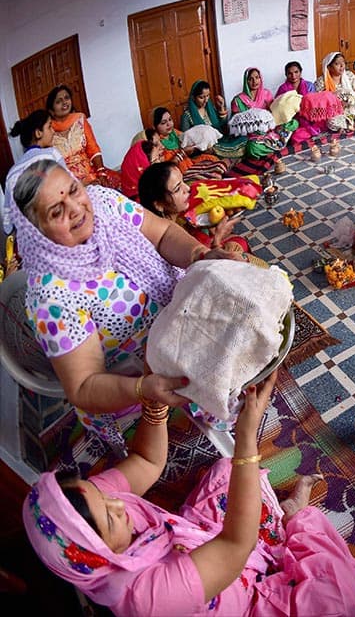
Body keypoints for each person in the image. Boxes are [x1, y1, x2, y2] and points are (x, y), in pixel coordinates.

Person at [22, 370, 355, 616]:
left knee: (226, 476)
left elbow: (145, 461)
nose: (118, 503)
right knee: (337, 601)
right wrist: (246, 440)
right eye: (113, 517)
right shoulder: (146, 599)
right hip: (244, 599)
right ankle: (291, 517)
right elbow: (236, 545)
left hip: (196, 541)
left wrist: (153, 401)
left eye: (106, 495)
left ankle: (278, 526)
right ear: (102, 557)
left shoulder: (90, 506)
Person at [5, 152, 242, 453]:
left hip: (183, 321)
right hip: (133, 379)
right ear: (36, 232)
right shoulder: (52, 296)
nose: (76, 208)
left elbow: (164, 233)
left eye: (74, 190)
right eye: (56, 211)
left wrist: (200, 254)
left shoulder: (104, 203)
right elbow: (84, 385)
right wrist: (143, 388)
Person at [138, 161, 249, 254]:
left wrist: (217, 232)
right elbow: (199, 266)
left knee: (239, 242)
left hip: (212, 252)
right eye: (177, 189)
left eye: (183, 181)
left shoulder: (183, 214)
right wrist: (218, 240)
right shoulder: (167, 237)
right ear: (159, 205)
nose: (187, 188)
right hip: (204, 270)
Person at [46, 85, 121, 190]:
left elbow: (93, 148)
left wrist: (100, 172)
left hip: (91, 173)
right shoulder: (48, 130)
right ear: (51, 110)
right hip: (69, 182)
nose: (64, 102)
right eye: (58, 101)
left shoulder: (80, 119)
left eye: (67, 98)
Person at [3, 109, 66, 234]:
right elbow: (71, 188)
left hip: (32, 240)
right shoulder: (52, 155)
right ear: (38, 133)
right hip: (60, 229)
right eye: (49, 127)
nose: (53, 132)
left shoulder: (11, 173)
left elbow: (7, 226)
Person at [152, 107, 227, 182]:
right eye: (163, 123)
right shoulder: (158, 144)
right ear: (155, 127)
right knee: (214, 174)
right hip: (179, 172)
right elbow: (167, 168)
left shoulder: (174, 133)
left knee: (215, 161)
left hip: (189, 162)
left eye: (170, 119)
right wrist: (183, 153)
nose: (169, 124)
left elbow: (188, 143)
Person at [119, 130, 163, 199]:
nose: (162, 146)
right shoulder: (145, 201)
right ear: (142, 169)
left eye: (158, 158)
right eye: (155, 161)